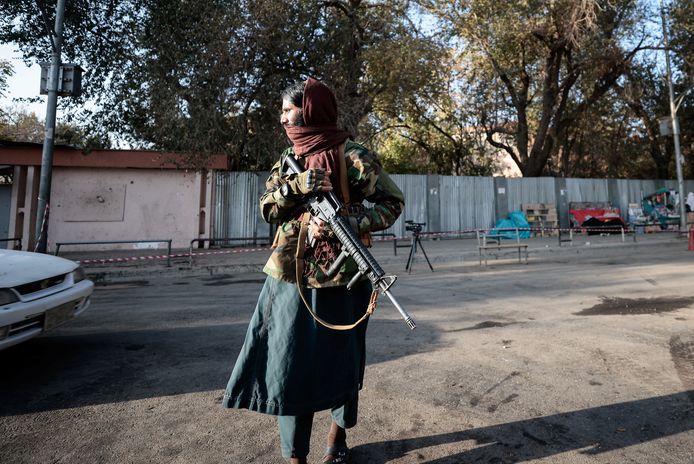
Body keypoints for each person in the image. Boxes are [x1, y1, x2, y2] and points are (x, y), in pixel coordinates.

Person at [222, 77, 404, 464]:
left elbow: (392, 202)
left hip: (345, 279)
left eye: (288, 110)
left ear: (308, 111)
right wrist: (296, 188)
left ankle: (337, 440)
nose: (282, 118)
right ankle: (294, 456)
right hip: (291, 276)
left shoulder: (354, 157)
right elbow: (268, 209)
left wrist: (354, 222)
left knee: (343, 362)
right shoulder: (290, 159)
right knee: (288, 365)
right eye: (283, 112)